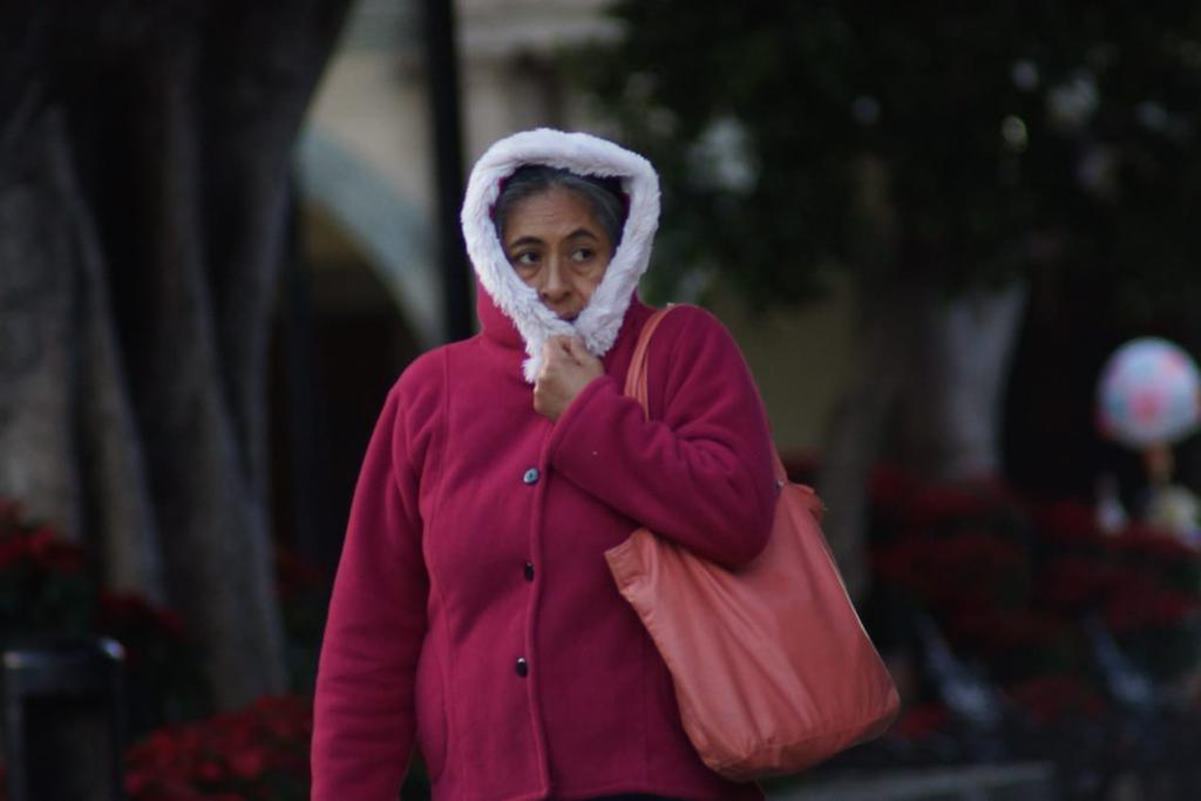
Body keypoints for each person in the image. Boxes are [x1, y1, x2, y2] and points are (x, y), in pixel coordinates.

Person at [311, 129, 777, 801]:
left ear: (624, 253)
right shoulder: (429, 393)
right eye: (527, 256)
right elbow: (370, 633)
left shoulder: (680, 350)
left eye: (582, 252)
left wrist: (591, 413)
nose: (556, 284)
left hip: (665, 785)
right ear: (490, 259)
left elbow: (737, 515)